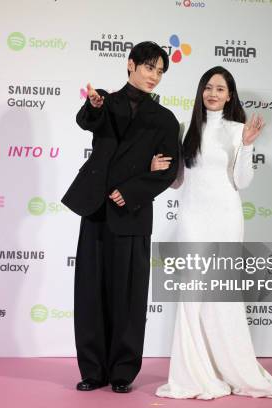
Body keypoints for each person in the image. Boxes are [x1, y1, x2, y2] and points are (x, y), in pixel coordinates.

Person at [151, 66, 272, 401]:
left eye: (220, 89)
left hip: (226, 217)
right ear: (200, 91)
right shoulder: (185, 129)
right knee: (192, 295)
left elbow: (242, 182)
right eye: (208, 87)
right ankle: (193, 374)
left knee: (222, 296)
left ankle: (230, 369)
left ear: (230, 95)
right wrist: (160, 167)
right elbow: (179, 181)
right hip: (193, 217)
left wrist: (248, 145)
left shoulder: (239, 130)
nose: (213, 93)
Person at [61, 41, 180, 394]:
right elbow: (86, 120)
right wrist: (93, 103)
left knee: (128, 295)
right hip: (96, 210)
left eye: (159, 71)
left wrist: (130, 191)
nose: (154, 76)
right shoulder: (106, 103)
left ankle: (123, 372)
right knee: (90, 291)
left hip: (133, 214)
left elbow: (167, 171)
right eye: (148, 67)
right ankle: (92, 370)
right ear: (130, 65)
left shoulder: (165, 119)